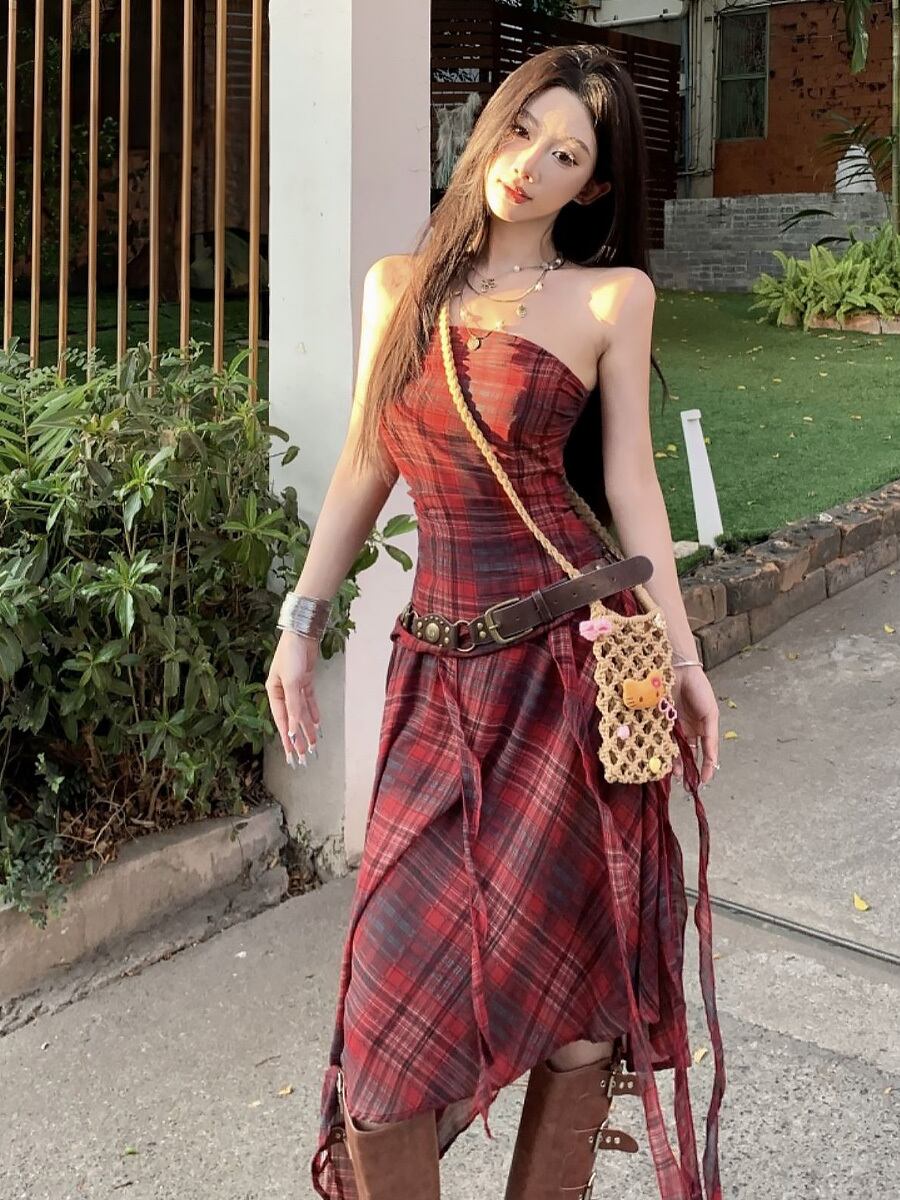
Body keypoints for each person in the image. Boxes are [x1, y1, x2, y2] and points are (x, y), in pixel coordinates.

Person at [265, 43, 725, 1200]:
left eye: (566, 155)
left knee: (577, 991)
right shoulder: (398, 287)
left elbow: (631, 488)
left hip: (572, 671)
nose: (530, 164)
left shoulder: (610, 299)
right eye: (523, 130)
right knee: (388, 1020)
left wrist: (682, 658)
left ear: (594, 186)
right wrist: (301, 623)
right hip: (437, 676)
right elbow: (365, 464)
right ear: (490, 126)